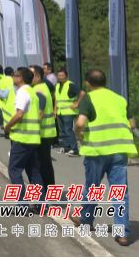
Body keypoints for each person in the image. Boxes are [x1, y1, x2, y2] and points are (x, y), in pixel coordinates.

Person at [72, 68, 136, 247]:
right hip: (119, 152)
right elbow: (131, 123)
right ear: (105, 81)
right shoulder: (119, 99)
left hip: (97, 152)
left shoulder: (88, 98)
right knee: (120, 192)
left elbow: (80, 123)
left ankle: (85, 220)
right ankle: (122, 232)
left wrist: (79, 135)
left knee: (93, 187)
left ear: (87, 83)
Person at [3, 67, 43, 209]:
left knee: (14, 170)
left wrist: (7, 127)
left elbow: (19, 115)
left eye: (15, 75)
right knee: (33, 171)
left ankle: (22, 204)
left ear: (20, 78)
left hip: (22, 138)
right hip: (33, 138)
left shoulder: (22, 92)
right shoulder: (32, 92)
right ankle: (39, 204)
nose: (13, 77)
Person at [30, 65, 56, 189]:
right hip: (47, 131)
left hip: (42, 133)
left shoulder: (38, 90)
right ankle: (51, 190)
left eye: (31, 75)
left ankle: (44, 192)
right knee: (46, 164)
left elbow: (39, 113)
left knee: (40, 165)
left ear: (38, 76)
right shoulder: (43, 87)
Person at [55, 67, 83, 156]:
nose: (60, 77)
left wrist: (77, 103)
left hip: (69, 112)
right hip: (60, 111)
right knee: (62, 131)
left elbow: (82, 93)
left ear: (66, 76)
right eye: (59, 75)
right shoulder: (57, 85)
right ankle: (66, 147)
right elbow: (57, 98)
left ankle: (75, 149)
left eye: (62, 75)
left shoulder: (70, 85)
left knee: (68, 130)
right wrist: (54, 109)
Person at [0, 66, 16, 133]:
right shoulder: (14, 80)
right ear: (12, 73)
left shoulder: (0, 81)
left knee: (2, 116)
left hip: (1, 102)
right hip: (11, 101)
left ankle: (3, 127)